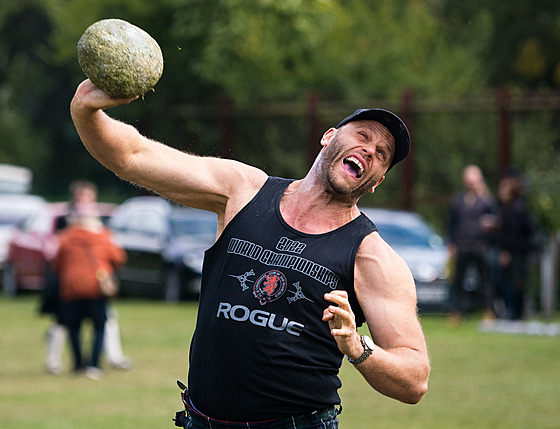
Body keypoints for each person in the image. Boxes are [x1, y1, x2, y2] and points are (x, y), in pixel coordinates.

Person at [70, 79, 430, 426]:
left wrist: (357, 346)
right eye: (363, 136)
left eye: (381, 154)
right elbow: (133, 156)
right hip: (203, 421)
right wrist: (86, 111)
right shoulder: (243, 191)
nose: (369, 150)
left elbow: (414, 381)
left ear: (377, 182)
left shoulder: (372, 257)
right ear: (329, 137)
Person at [42, 179, 132, 375]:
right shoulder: (103, 235)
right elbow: (119, 257)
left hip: (70, 287)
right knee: (100, 325)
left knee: (72, 327)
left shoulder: (65, 236)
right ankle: (94, 364)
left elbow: (56, 262)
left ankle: (77, 364)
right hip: (95, 286)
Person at [447, 165, 497, 323]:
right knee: (458, 281)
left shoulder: (486, 200)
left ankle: (488, 310)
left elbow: (496, 219)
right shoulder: (458, 200)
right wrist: (452, 244)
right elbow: (451, 223)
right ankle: (457, 312)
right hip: (462, 245)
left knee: (485, 281)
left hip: (480, 245)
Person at [494, 171, 538, 320]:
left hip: (517, 252)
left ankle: (516, 314)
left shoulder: (516, 208)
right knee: (511, 282)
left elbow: (515, 233)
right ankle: (514, 313)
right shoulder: (507, 207)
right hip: (515, 250)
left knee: (516, 283)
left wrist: (507, 251)